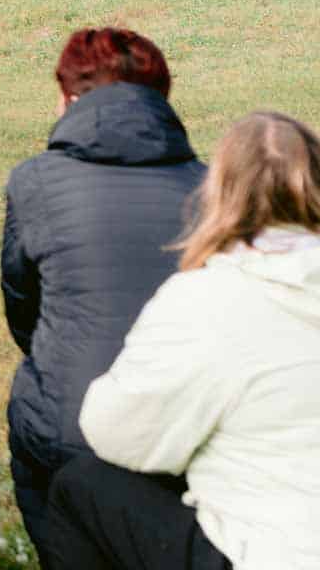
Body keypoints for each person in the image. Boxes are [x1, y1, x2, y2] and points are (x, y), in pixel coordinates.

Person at [47, 111, 320, 570]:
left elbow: (112, 431)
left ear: (218, 193)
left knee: (82, 484)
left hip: (277, 553)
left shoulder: (205, 298)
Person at [0, 29, 205, 563]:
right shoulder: (213, 187)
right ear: (162, 98)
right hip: (183, 431)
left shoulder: (36, 181)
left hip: (70, 432)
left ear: (68, 99)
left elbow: (24, 312)